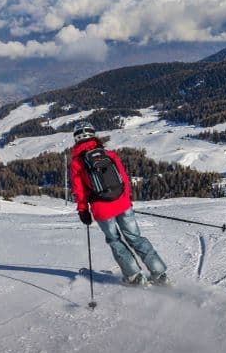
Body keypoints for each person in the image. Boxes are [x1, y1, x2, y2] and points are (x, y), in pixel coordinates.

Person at [69, 121, 168, 286]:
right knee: (136, 238)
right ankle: (159, 274)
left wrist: (82, 210)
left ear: (76, 138)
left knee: (114, 240)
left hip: (102, 208)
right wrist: (127, 199)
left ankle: (135, 277)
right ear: (93, 134)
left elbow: (79, 191)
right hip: (123, 203)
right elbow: (123, 178)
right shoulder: (109, 154)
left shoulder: (77, 162)